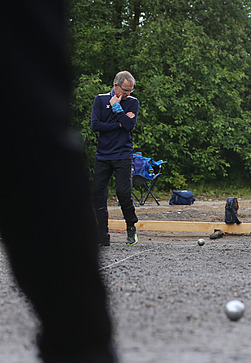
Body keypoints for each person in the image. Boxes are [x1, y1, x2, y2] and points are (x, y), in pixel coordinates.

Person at [1, 0, 117, 361]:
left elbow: (126, 124)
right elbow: (102, 125)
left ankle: (80, 340)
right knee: (28, 122)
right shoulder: (104, 100)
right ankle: (80, 341)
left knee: (27, 116)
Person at [91, 71, 140, 246]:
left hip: (123, 155)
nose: (128, 94)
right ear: (116, 86)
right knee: (97, 194)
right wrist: (118, 124)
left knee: (124, 193)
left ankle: (131, 227)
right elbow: (95, 125)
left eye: (130, 91)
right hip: (103, 155)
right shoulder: (100, 99)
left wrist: (117, 108)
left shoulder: (132, 103)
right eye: (126, 90)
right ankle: (102, 235)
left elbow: (128, 126)